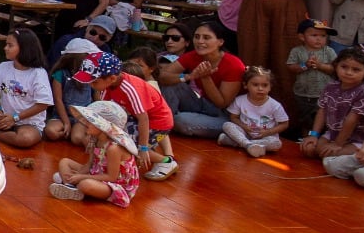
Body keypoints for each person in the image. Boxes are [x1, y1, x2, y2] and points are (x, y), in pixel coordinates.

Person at [74, 51, 178, 180]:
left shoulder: (130, 88)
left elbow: (143, 118)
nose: (91, 85)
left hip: (157, 122)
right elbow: (103, 114)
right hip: (135, 118)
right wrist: (93, 138)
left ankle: (166, 161)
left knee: (127, 145)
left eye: (94, 82)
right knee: (113, 137)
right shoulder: (108, 86)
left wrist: (143, 147)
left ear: (111, 78)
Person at [158, 21, 245, 139]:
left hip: (226, 116)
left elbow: (222, 103)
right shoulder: (194, 55)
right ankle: (162, 125)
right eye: (197, 37)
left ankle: (234, 135)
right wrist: (188, 77)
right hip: (203, 104)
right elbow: (162, 76)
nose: (200, 41)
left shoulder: (233, 64)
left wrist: (205, 77)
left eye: (206, 38)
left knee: (181, 121)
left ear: (220, 42)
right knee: (172, 83)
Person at [48, 101, 141, 207]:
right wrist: (78, 175)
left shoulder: (114, 148)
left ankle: (74, 186)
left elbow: (112, 177)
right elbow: (90, 165)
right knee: (64, 162)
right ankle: (70, 186)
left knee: (85, 184)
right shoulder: (95, 139)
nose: (86, 123)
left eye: (91, 121)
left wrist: (81, 177)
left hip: (117, 185)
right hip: (98, 173)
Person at [300, 47, 364, 159]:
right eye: (344, 67)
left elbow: (352, 119)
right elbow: (322, 110)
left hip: (360, 138)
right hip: (333, 133)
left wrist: (338, 144)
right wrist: (314, 135)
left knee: (330, 155)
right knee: (310, 148)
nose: (348, 72)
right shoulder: (331, 86)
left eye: (356, 70)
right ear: (336, 66)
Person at [0, 28, 53, 149]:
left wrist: (15, 118)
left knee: (25, 139)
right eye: (6, 44)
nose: (5, 48)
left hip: (29, 123)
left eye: (10, 45)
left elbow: (43, 104)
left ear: (24, 48)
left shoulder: (38, 73)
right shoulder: (3, 67)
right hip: (2, 116)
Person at [218, 66, 288, 158]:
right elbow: (233, 117)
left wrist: (268, 132)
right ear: (246, 85)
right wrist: (244, 126)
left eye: (265, 85)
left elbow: (284, 124)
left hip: (264, 137)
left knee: (276, 143)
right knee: (227, 125)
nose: (260, 88)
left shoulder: (275, 105)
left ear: (270, 87)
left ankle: (240, 143)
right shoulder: (240, 100)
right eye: (255, 85)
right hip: (244, 133)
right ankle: (248, 144)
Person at [285, 19, 337, 139]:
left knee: (324, 118)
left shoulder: (329, 51)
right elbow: (291, 67)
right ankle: (305, 139)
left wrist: (320, 66)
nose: (319, 39)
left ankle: (322, 140)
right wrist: (305, 65)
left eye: (323, 36)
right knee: (305, 119)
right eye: (314, 35)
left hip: (324, 93)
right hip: (303, 93)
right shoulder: (297, 51)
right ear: (302, 37)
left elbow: (335, 69)